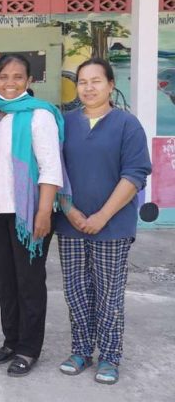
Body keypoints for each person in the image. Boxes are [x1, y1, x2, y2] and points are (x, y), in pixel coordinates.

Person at [56, 58, 151, 385]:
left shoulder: (127, 124)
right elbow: (54, 171)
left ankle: (110, 356)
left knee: (109, 294)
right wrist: (69, 210)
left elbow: (135, 175)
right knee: (76, 291)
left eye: (96, 81)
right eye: (82, 82)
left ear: (111, 85)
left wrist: (102, 216)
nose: (89, 88)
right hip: (70, 224)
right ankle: (81, 350)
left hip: (113, 226)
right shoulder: (65, 123)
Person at [0, 54, 68, 377]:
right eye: (4, 76)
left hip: (29, 212)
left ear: (30, 81)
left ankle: (28, 348)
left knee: (29, 282)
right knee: (5, 280)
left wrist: (44, 212)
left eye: (18, 77)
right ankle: (11, 341)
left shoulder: (39, 115)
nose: (10, 82)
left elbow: (50, 167)